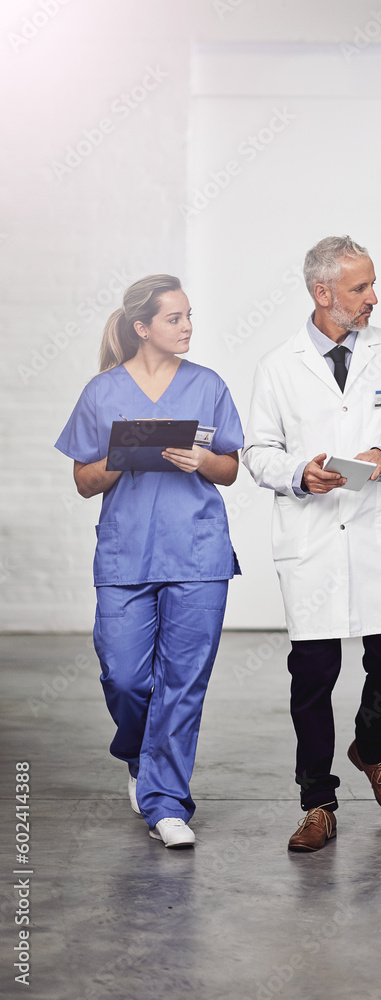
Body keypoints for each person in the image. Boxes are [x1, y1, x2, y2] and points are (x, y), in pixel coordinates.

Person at [242, 236, 381, 851]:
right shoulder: (279, 366)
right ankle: (317, 804)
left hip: (379, 534)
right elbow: (258, 453)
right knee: (313, 676)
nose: (373, 298)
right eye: (360, 288)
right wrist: (300, 474)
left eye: (372, 284)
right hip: (312, 540)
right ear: (322, 293)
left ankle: (371, 747)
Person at [55, 275, 243, 849]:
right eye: (174, 319)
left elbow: (231, 468)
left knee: (183, 683)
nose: (187, 327)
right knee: (125, 675)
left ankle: (166, 803)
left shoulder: (208, 384)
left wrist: (202, 460)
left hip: (198, 550)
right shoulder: (102, 392)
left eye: (190, 317)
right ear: (142, 328)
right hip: (126, 553)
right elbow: (85, 481)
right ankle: (139, 755)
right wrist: (121, 458)